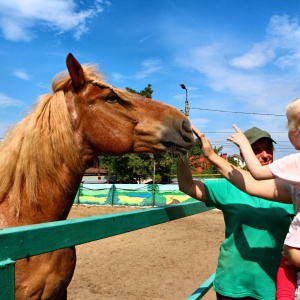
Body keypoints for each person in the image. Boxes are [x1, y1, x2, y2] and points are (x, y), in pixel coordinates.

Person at [176, 126, 294, 300]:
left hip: (275, 283)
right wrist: (180, 153)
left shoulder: (289, 188)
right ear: (243, 153)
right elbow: (187, 185)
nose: (264, 155)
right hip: (233, 282)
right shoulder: (228, 186)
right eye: (256, 150)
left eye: (268, 150)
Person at [225, 98, 300, 300]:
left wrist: (242, 143)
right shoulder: (291, 180)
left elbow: (257, 175)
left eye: (288, 125)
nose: (265, 155)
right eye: (256, 150)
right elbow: (255, 184)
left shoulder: (295, 166)